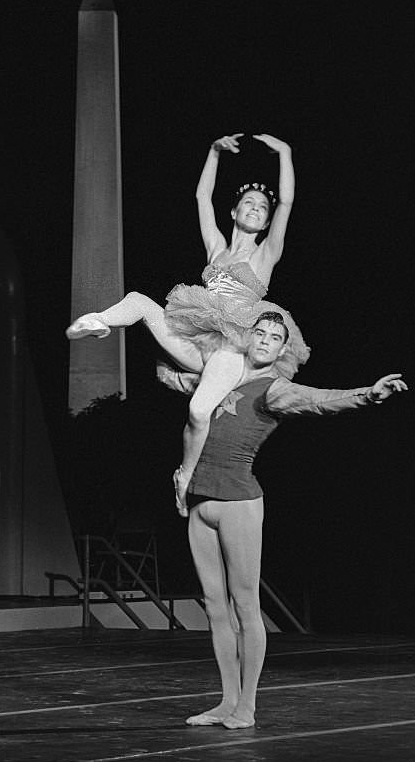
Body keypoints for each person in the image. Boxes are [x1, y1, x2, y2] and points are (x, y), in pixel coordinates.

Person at [158, 312, 408, 729]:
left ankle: (247, 707)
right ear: (248, 337)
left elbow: (318, 401)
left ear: (281, 350)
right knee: (215, 608)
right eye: (260, 333)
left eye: (275, 338)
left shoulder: (274, 390)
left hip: (239, 502)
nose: (265, 341)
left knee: (245, 606)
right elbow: (181, 380)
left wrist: (368, 394)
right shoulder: (222, 375)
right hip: (200, 504)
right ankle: (226, 701)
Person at [66, 133, 309, 500]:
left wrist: (286, 152)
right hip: (196, 341)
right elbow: (201, 198)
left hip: (230, 349)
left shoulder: (266, 254)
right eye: (249, 202)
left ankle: (184, 477)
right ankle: (99, 322)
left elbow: (287, 202)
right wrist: (212, 152)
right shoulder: (217, 250)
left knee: (198, 413)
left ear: (265, 222)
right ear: (235, 212)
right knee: (141, 302)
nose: (257, 209)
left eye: (262, 207)